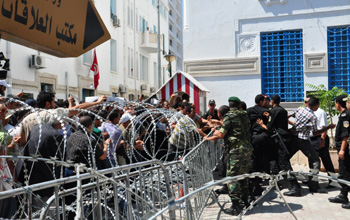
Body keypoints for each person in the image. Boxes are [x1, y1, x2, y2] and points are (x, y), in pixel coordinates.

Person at [205, 97, 252, 216]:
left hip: (236, 150)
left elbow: (221, 134)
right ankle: (245, 201)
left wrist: (214, 130)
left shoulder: (229, 116)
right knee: (243, 175)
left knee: (231, 177)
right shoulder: (245, 114)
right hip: (247, 148)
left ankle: (236, 206)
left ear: (229, 105)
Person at [287, 96, 335, 194]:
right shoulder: (313, 116)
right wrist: (328, 127)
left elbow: (287, 115)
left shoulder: (299, 109)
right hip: (304, 140)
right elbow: (315, 132)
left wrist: (293, 128)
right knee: (315, 160)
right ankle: (313, 185)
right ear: (316, 105)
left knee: (285, 158)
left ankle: (293, 183)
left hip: (294, 138)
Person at [247, 94, 274, 198]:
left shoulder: (249, 110)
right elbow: (271, 120)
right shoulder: (265, 111)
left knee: (255, 159)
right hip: (264, 136)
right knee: (267, 157)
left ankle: (255, 180)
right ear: (262, 101)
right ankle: (269, 177)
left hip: (254, 137)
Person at [305, 96, 335, 188]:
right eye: (305, 102)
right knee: (312, 161)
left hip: (319, 138)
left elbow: (323, 127)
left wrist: (322, 139)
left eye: (307, 101)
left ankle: (333, 181)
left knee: (326, 160)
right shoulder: (307, 111)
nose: (305, 103)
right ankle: (312, 180)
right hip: (311, 139)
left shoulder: (320, 112)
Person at [328, 95, 350, 209]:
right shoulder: (343, 115)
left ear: (338, 103)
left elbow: (345, 135)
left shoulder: (345, 115)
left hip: (344, 150)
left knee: (344, 173)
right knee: (344, 173)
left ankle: (344, 195)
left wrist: (342, 150)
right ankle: (343, 194)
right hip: (342, 149)